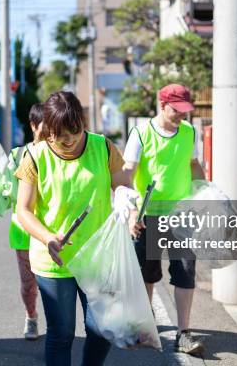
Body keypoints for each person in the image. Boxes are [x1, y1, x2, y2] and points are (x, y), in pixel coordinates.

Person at [15, 91, 138, 366]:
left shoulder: (103, 147)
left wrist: (127, 203)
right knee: (61, 334)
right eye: (61, 136)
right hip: (54, 259)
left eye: (75, 132)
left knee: (101, 330)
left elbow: (122, 185)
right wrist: (48, 238)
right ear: (48, 131)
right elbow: (23, 210)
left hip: (98, 256)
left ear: (82, 123)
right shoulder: (34, 156)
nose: (69, 140)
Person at [122, 83, 206, 355]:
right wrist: (132, 210)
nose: (181, 115)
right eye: (176, 110)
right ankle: (147, 328)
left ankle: (183, 333)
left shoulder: (189, 132)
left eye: (185, 110)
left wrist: (204, 195)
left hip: (182, 215)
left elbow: (194, 165)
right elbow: (128, 172)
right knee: (147, 273)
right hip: (148, 216)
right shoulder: (141, 133)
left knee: (185, 271)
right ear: (162, 105)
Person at [0, 103, 44, 340]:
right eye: (43, 130)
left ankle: (58, 325)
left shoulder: (61, 154)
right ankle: (31, 317)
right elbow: (5, 193)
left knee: (54, 285)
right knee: (29, 284)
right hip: (24, 231)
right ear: (33, 126)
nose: (49, 136)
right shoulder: (17, 155)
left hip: (53, 231)